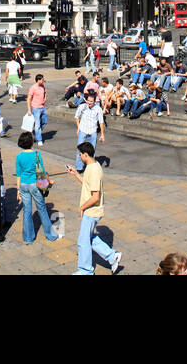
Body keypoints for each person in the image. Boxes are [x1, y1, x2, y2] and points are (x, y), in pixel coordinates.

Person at [67, 142, 121, 275]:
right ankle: (112, 256)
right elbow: (87, 184)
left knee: (83, 241)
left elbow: (95, 196)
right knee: (89, 238)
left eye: (80, 154)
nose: (79, 157)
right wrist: (75, 174)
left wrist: (82, 207)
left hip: (92, 211)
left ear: (86, 155)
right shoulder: (91, 166)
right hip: (91, 210)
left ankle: (86, 270)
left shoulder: (94, 170)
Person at [74, 92, 106, 170]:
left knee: (92, 150)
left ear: (94, 101)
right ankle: (79, 167)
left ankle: (91, 167)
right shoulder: (82, 107)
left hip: (93, 130)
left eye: (91, 101)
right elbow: (76, 117)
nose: (89, 103)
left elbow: (101, 122)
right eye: (88, 100)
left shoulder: (98, 109)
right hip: (83, 129)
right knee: (80, 148)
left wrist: (102, 134)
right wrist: (78, 128)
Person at [26, 75, 47, 146]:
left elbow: (45, 93)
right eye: (42, 80)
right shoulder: (33, 88)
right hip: (35, 108)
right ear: (38, 80)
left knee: (44, 122)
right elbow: (29, 99)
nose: (43, 81)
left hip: (42, 107)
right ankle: (39, 139)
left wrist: (45, 98)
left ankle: (36, 132)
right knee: (37, 124)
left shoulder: (43, 86)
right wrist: (29, 110)